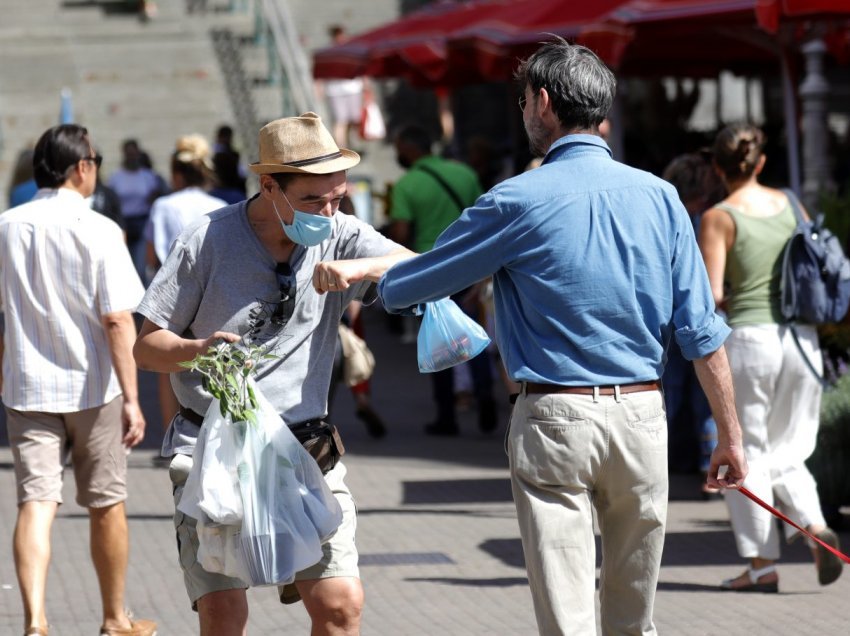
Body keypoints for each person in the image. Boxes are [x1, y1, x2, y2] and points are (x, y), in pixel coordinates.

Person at [375, 38, 748, 635]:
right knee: (634, 618)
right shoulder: (662, 198)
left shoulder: (516, 200)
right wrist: (729, 436)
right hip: (643, 414)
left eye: (523, 101)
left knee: (568, 619)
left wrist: (366, 269)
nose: (523, 113)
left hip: (555, 415)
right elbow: (702, 332)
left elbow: (406, 288)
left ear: (543, 102)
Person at [132, 112, 415, 636]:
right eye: (313, 201)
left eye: (338, 198)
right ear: (269, 186)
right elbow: (147, 347)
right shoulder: (207, 241)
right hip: (214, 453)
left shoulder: (340, 233)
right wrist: (197, 350)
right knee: (224, 616)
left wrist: (359, 268)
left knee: (340, 606)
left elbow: (420, 269)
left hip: (306, 452)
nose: (328, 213)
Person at [0, 124, 155, 636]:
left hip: (26, 384)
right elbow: (117, 320)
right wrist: (134, 399)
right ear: (81, 168)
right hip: (94, 387)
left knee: (36, 501)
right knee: (106, 502)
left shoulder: (7, 226)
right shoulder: (100, 229)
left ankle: (36, 622)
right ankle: (114, 618)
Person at [698, 123, 844, 593]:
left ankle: (762, 567)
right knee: (789, 449)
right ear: (760, 162)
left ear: (717, 167)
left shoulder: (719, 216)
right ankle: (815, 527)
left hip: (750, 342)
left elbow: (713, 294)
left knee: (745, 453)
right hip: (801, 341)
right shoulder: (789, 202)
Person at [389, 123, 497, 436]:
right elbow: (484, 218)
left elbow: (400, 235)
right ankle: (485, 392)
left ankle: (446, 416)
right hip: (468, 266)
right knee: (472, 335)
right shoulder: (464, 174)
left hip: (432, 273)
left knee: (439, 341)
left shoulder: (407, 184)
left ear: (409, 149)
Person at [144, 133, 226, 439]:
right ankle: (219, 432)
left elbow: (152, 254)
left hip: (173, 294)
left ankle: (174, 432)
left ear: (176, 173)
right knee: (214, 360)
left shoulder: (163, 205)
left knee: (172, 365)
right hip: (215, 292)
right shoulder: (220, 205)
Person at [661, 152, 725, 495]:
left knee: (673, 389)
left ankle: (672, 457)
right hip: (703, 313)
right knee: (705, 391)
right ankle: (706, 465)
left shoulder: (664, 217)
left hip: (668, 313)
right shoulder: (708, 218)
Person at [108, 139, 164, 280]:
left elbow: (156, 196)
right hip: (123, 222)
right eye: (129, 154)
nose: (131, 157)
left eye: (134, 154)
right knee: (124, 263)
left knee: (140, 266)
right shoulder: (116, 177)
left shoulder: (148, 176)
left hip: (142, 222)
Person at [323, 25, 365, 148]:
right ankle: (340, 147)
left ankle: (348, 144)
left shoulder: (352, 50)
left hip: (352, 88)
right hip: (336, 90)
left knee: (353, 119)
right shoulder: (328, 53)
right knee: (340, 121)